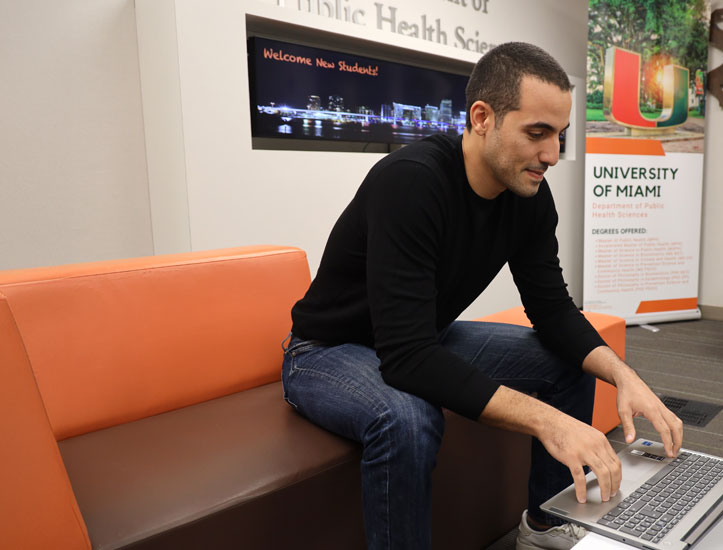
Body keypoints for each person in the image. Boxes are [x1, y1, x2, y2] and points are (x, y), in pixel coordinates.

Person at [282, 42, 683, 550]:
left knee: (569, 364)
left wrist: (624, 375)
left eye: (559, 135)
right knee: (406, 418)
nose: (552, 155)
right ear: (482, 118)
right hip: (325, 352)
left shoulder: (529, 194)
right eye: (536, 133)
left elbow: (553, 309)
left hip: (421, 337)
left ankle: (544, 526)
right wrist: (549, 421)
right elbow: (407, 360)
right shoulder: (411, 182)